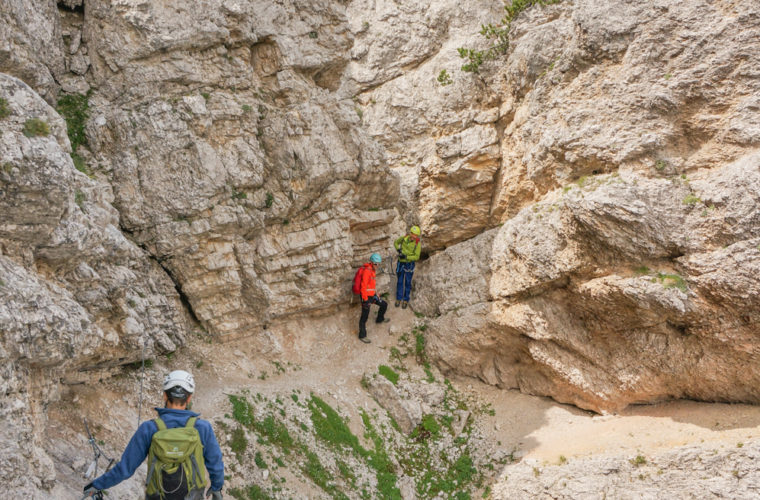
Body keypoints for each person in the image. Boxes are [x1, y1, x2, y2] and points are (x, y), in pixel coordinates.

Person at [83, 370, 225, 500]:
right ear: (189, 399)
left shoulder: (149, 428)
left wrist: (97, 485)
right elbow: (215, 463)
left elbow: (125, 469)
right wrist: (217, 488)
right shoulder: (202, 428)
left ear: (164, 395)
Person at [358, 253, 389, 343]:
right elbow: (363, 286)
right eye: (376, 263)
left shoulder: (372, 270)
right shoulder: (367, 271)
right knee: (364, 316)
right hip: (366, 297)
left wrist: (375, 293)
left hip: (372, 295)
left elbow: (370, 285)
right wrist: (365, 300)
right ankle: (362, 335)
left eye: (378, 263)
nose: (377, 265)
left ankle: (380, 319)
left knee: (384, 304)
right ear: (371, 262)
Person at [393, 225, 421, 309]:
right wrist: (398, 250)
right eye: (413, 234)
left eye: (416, 235)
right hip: (401, 263)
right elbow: (396, 242)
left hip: (409, 264)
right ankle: (399, 298)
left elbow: (416, 256)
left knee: (408, 282)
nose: (414, 236)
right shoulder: (404, 238)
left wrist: (406, 257)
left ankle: (405, 300)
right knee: (400, 281)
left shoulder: (417, 244)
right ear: (410, 233)